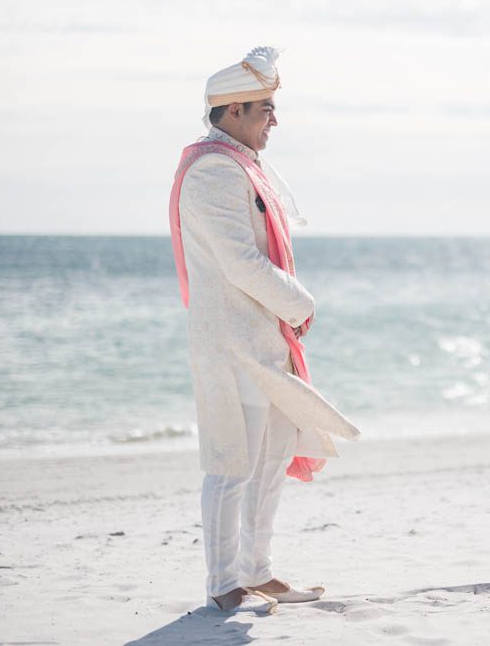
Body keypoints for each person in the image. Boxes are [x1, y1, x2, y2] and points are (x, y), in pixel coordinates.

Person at [169, 46, 360, 612]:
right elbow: (239, 264)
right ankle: (224, 586)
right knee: (234, 462)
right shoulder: (211, 171)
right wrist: (300, 303)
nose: (274, 119)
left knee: (273, 454)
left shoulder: (238, 165)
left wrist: (287, 316)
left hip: (263, 339)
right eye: (264, 109)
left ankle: (257, 570)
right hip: (232, 343)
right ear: (232, 112)